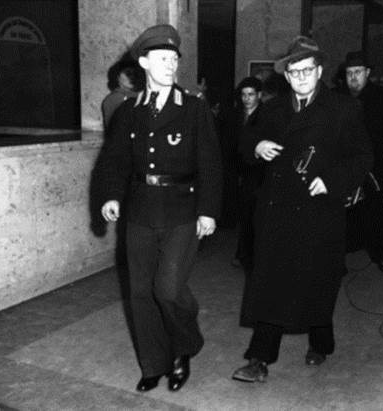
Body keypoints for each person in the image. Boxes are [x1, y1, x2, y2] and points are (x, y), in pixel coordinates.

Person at [231, 36, 372, 383]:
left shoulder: (343, 108)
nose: (301, 78)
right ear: (287, 76)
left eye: (307, 70)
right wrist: (257, 145)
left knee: (318, 280)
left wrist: (332, 181)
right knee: (271, 283)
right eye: (294, 72)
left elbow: (362, 157)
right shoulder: (273, 108)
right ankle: (260, 358)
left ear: (320, 71)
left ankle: (320, 342)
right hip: (277, 210)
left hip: (319, 208)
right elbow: (244, 141)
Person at [98, 24, 222, 392]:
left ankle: (185, 347)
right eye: (163, 58)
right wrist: (111, 195)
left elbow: (211, 163)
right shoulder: (128, 110)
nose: (171, 65)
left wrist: (208, 211)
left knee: (168, 289)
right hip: (139, 211)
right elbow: (114, 160)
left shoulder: (194, 108)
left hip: (182, 210)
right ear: (144, 62)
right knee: (140, 292)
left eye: (174, 59)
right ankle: (153, 363)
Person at [341, 51, 383, 271]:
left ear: (367, 73)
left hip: (375, 166)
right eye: (349, 72)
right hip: (346, 166)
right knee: (343, 214)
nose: (353, 77)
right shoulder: (337, 96)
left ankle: (380, 253)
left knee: (375, 212)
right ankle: (339, 258)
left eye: (358, 72)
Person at [230, 76, 266, 273]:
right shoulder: (237, 115)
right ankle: (242, 252)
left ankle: (252, 255)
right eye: (244, 95)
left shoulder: (266, 115)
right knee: (244, 214)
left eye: (251, 95)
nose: (247, 99)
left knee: (255, 215)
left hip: (259, 172)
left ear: (259, 95)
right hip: (240, 171)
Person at [101, 58, 144, 129]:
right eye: (127, 73)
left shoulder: (145, 96)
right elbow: (112, 129)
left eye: (131, 73)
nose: (131, 76)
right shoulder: (113, 99)